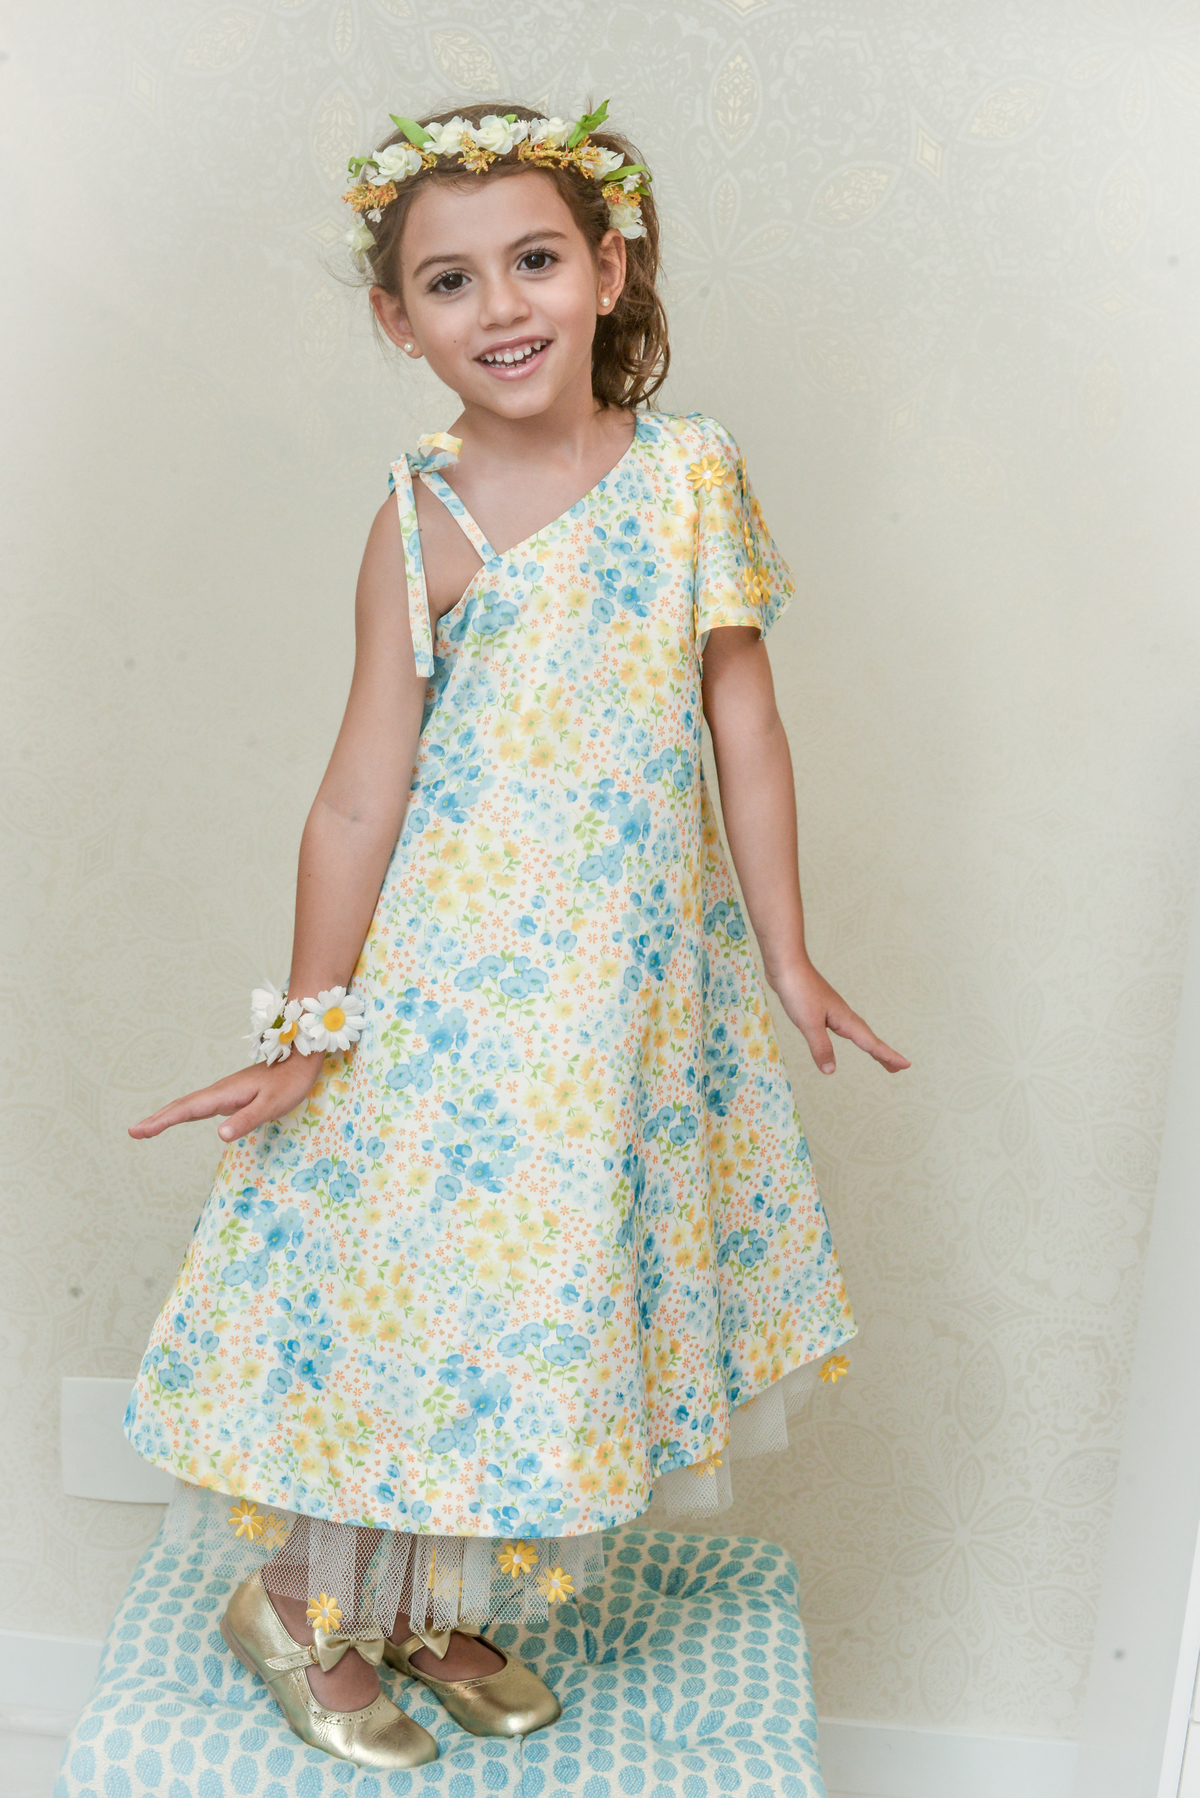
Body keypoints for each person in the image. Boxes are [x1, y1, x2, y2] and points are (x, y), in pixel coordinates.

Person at [124, 98, 910, 1772]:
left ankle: (419, 1602)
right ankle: (298, 1598)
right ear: (397, 319)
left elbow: (746, 725)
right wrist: (310, 1025)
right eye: (452, 279)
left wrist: (785, 952)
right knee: (426, 1297)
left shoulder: (690, 475)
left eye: (536, 259)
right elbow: (360, 793)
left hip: (616, 1003)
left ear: (609, 268)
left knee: (538, 1306)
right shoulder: (423, 522)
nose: (503, 306)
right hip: (454, 1002)